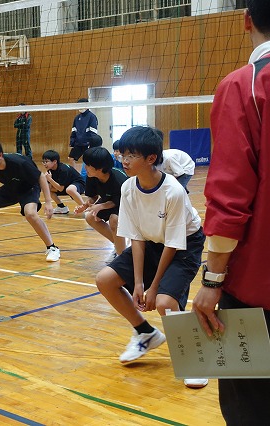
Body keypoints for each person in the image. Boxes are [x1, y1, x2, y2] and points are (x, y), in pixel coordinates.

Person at [193, 1, 270, 422]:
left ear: (246, 20)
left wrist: (212, 279)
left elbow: (230, 196)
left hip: (257, 289)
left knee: (250, 409)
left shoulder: (246, 85)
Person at [95, 126, 206, 389]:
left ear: (151, 158)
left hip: (184, 246)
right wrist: (138, 283)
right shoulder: (128, 187)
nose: (124, 161)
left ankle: (193, 360)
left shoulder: (173, 191)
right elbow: (136, 238)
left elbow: (173, 244)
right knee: (105, 280)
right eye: (122, 154)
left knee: (165, 302)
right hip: (152, 242)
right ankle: (145, 333)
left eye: (131, 155)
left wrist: (153, 287)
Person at [0, 140, 60, 262]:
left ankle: (52, 248)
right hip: (12, 186)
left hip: (29, 188)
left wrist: (48, 202)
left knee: (30, 213)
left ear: (0, 155)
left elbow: (40, 176)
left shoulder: (20, 163)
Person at [74, 147, 128, 264]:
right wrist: (86, 205)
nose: (85, 167)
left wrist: (101, 206)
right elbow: (93, 196)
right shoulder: (92, 177)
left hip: (127, 204)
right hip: (109, 201)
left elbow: (118, 201)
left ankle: (122, 258)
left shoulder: (119, 180)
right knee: (90, 217)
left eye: (88, 165)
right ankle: (120, 248)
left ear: (100, 168)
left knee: (114, 220)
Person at [41, 150, 85, 214]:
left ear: (55, 161)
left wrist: (50, 179)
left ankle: (85, 207)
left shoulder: (63, 170)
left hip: (78, 184)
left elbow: (60, 189)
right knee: (48, 190)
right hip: (66, 186)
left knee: (70, 189)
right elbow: (50, 187)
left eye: (46, 161)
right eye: (43, 162)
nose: (44, 164)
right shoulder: (50, 171)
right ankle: (61, 207)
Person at [68, 98, 99, 172]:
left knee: (87, 161)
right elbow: (74, 131)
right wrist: (72, 142)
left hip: (88, 144)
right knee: (71, 158)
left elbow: (93, 132)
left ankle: (87, 175)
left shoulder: (92, 117)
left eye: (81, 105)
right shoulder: (77, 118)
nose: (80, 107)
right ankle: (74, 174)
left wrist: (92, 144)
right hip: (78, 143)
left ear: (87, 106)